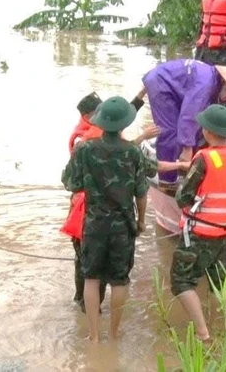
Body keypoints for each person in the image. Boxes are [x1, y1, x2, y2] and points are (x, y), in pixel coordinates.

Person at [62, 90, 161, 314]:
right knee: (101, 273)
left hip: (92, 217)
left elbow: (71, 181)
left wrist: (143, 92)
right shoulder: (83, 140)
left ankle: (91, 329)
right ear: (89, 115)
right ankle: (88, 308)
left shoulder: (85, 146)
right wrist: (141, 221)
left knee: (92, 273)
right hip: (103, 217)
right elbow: (137, 178)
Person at [170, 105, 226, 342]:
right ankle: (218, 326)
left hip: (198, 233)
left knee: (181, 281)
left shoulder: (203, 158)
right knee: (217, 281)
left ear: (208, 132)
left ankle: (203, 334)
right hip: (224, 233)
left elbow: (182, 197)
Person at [141, 59, 226, 185]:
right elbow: (189, 115)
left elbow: (197, 121)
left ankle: (187, 170)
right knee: (170, 131)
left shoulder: (214, 82)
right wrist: (187, 148)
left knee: (195, 129)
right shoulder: (205, 84)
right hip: (161, 83)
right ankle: (167, 179)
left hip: (174, 86)